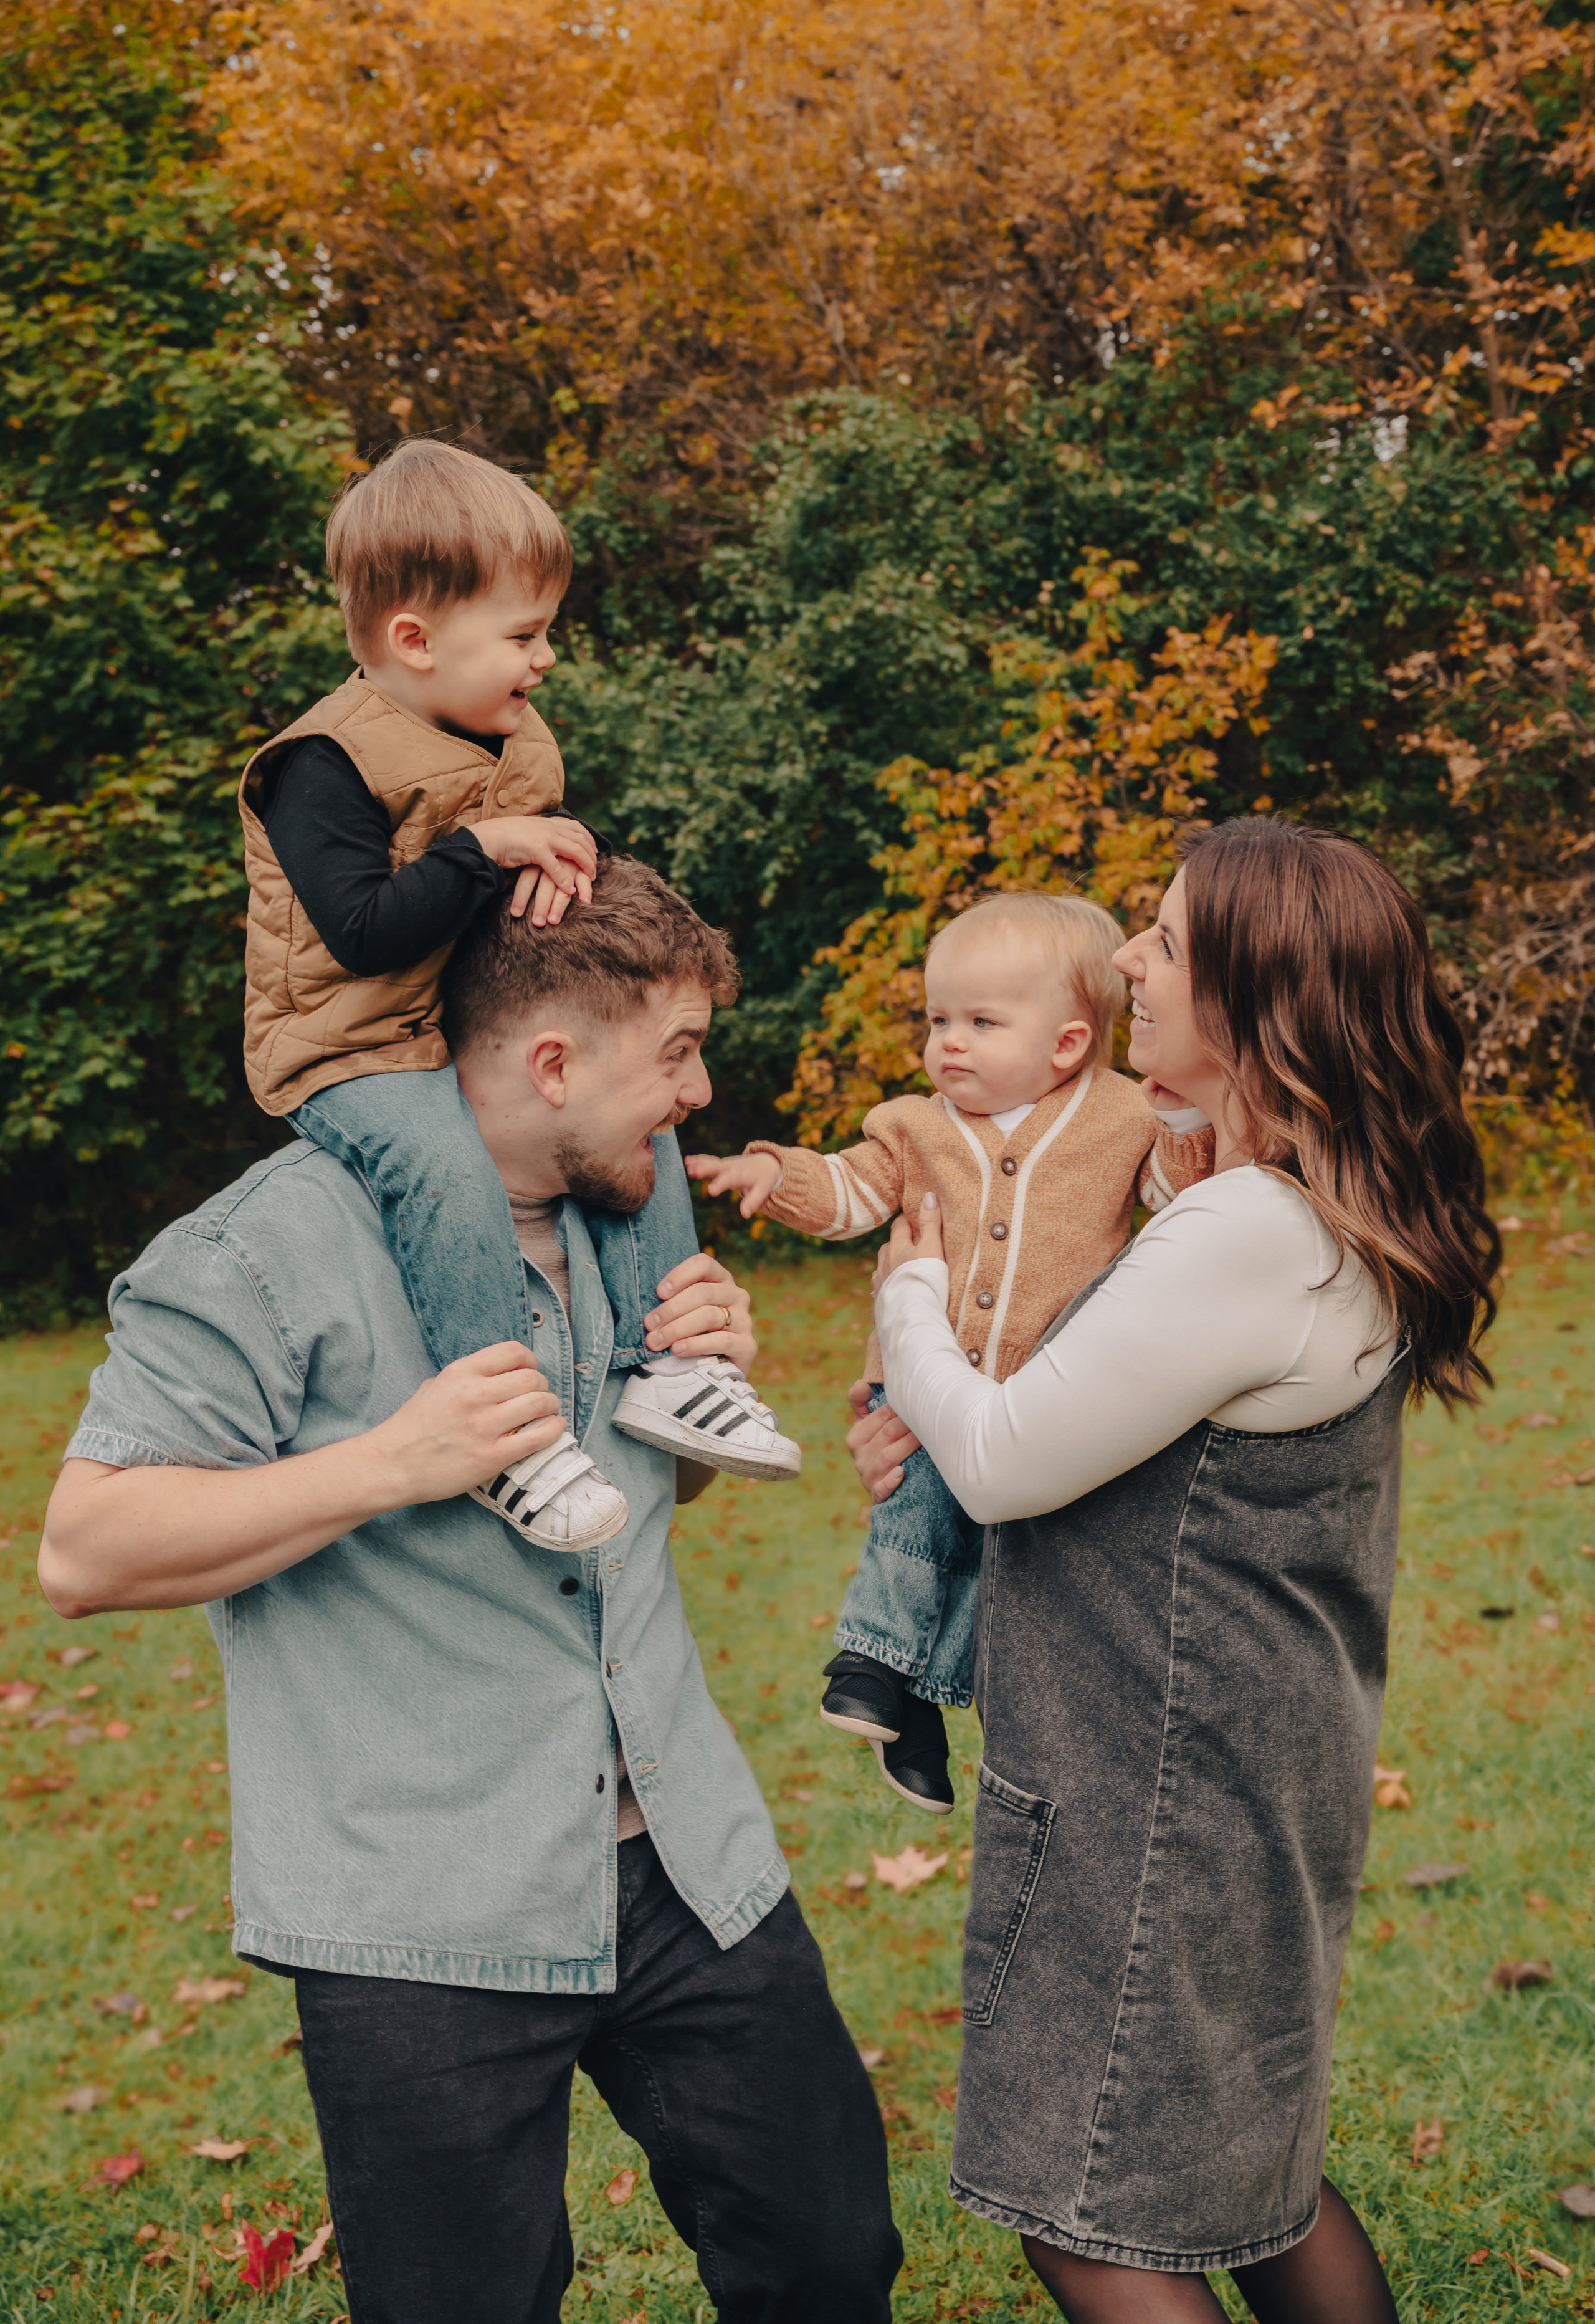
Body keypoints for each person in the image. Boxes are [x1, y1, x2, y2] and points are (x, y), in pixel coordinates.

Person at [40, 858, 902, 2324]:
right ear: (550, 1060)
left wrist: (699, 1392)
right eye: (676, 1054)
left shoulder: (624, 1216)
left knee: (827, 2257)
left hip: (684, 1856)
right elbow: (85, 1548)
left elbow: (648, 1506)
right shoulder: (269, 1246)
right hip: (419, 1910)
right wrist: (391, 1462)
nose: (699, 1092)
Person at [847, 818, 1498, 2323]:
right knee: (1246, 2180)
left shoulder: (1242, 1236)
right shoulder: (1317, 1209)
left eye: (1161, 940)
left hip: (1149, 1788)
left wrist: (911, 1310)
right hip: (1251, 1762)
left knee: (1082, 2211)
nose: (1129, 961)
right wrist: (946, 1416)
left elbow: (1008, 1455)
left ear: (1252, 999)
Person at [240, 437, 798, 1553]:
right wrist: (489, 846)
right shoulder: (319, 764)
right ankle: (510, 1429)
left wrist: (558, 861)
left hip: (458, 1032)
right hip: (343, 1054)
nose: (545, 660)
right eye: (525, 634)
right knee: (446, 1161)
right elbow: (360, 932)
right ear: (416, 637)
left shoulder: (508, 736)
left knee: (637, 1121)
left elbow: (521, 907)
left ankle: (671, 1368)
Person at [690, 893, 1211, 1813]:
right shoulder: (914, 1128)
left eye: (979, 1022)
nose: (949, 1045)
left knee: (998, 1551)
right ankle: (868, 1657)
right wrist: (778, 1177)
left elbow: (1179, 1187)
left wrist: (1198, 1126)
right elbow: (851, 1188)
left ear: (1065, 1044)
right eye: (937, 1021)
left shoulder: (1125, 1117)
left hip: (1045, 1390)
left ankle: (921, 1706)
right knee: (920, 1517)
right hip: (926, 1388)